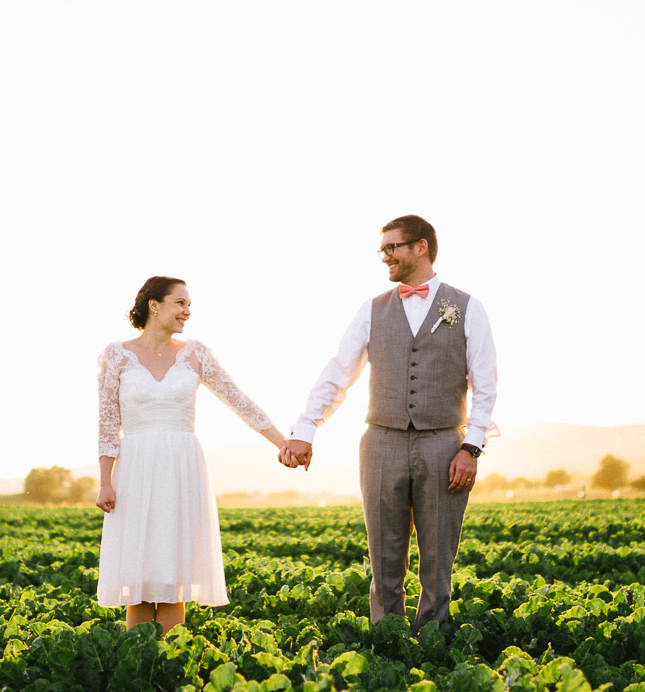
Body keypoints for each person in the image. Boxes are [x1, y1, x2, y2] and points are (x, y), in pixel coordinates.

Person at [280, 215, 498, 630]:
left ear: (420, 247)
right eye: (383, 250)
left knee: (438, 559)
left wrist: (471, 448)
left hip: (444, 445)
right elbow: (339, 371)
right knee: (384, 559)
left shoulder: (467, 307)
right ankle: (389, 645)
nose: (385, 257)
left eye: (391, 248)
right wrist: (306, 427)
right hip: (381, 443)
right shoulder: (372, 309)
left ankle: (432, 648)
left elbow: (484, 383)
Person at [96, 275, 288, 632]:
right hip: (135, 467)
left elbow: (239, 400)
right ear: (154, 305)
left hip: (181, 467)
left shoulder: (195, 353)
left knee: (172, 580)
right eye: (180, 303)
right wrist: (105, 482)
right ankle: (139, 669)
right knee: (138, 580)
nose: (188, 311)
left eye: (189, 305)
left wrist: (283, 442)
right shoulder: (117, 355)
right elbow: (108, 423)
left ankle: (171, 670)